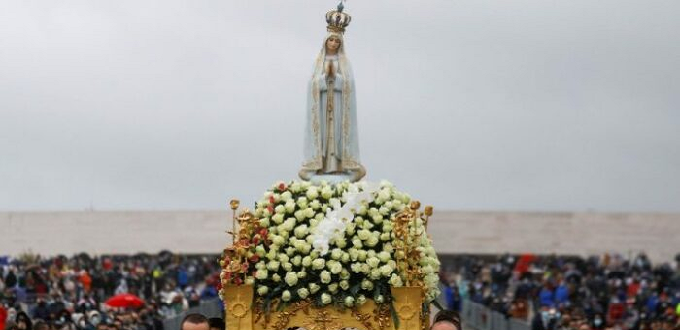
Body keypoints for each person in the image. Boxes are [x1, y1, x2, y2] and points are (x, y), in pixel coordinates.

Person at [299, 3, 365, 182]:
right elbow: (312, 84)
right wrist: (323, 79)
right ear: (326, 41)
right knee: (323, 135)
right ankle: (320, 166)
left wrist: (335, 78)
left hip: (338, 105)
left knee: (336, 134)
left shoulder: (345, 62)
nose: (334, 43)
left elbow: (349, 85)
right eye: (331, 40)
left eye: (337, 41)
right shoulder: (318, 61)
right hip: (321, 105)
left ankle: (338, 166)